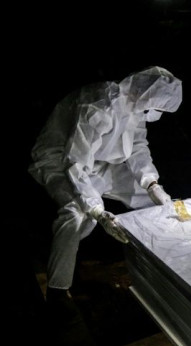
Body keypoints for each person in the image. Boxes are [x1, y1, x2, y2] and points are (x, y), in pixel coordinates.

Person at [29, 66, 182, 321]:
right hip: (59, 161)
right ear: (147, 96)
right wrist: (99, 212)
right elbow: (75, 163)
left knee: (152, 200)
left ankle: (171, 256)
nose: (155, 113)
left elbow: (138, 147)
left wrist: (153, 185)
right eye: (158, 107)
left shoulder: (136, 106)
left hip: (98, 162)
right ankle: (58, 291)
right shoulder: (99, 104)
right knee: (76, 213)